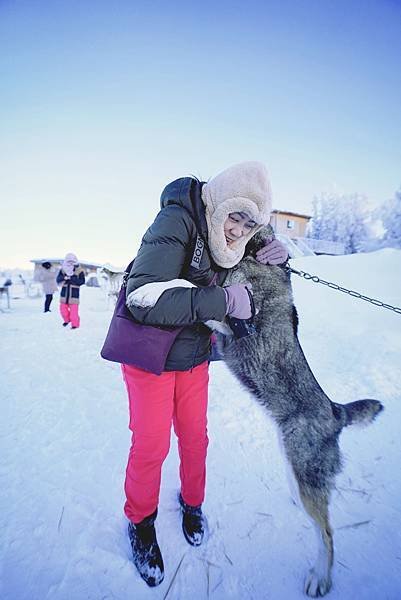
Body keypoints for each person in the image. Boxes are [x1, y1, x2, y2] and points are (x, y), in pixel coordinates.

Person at [121, 161, 288, 587]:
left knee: (196, 438)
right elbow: (143, 297)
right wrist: (224, 301)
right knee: (151, 446)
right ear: (220, 202)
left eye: (250, 224)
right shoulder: (177, 219)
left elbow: (250, 254)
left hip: (193, 353)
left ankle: (192, 503)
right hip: (149, 355)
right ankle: (141, 523)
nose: (238, 230)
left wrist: (279, 253)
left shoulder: (230, 237)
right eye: (236, 216)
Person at [56, 253, 85, 329]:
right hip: (64, 295)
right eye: (69, 261)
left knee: (74, 314)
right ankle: (67, 320)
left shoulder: (79, 270)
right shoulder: (63, 270)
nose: (70, 263)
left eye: (72, 261)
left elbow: (82, 281)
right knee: (63, 311)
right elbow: (58, 280)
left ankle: (75, 325)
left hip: (74, 295)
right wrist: (64, 278)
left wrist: (72, 278)